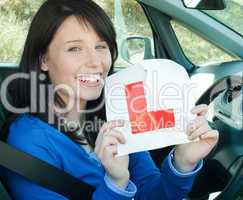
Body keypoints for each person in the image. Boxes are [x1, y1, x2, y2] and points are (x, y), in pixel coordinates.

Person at [1, 0, 219, 199]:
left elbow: (152, 193)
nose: (95, 61)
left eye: (101, 46)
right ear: (44, 60)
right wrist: (115, 183)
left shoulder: (116, 113)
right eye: (75, 48)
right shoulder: (27, 142)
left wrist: (183, 163)